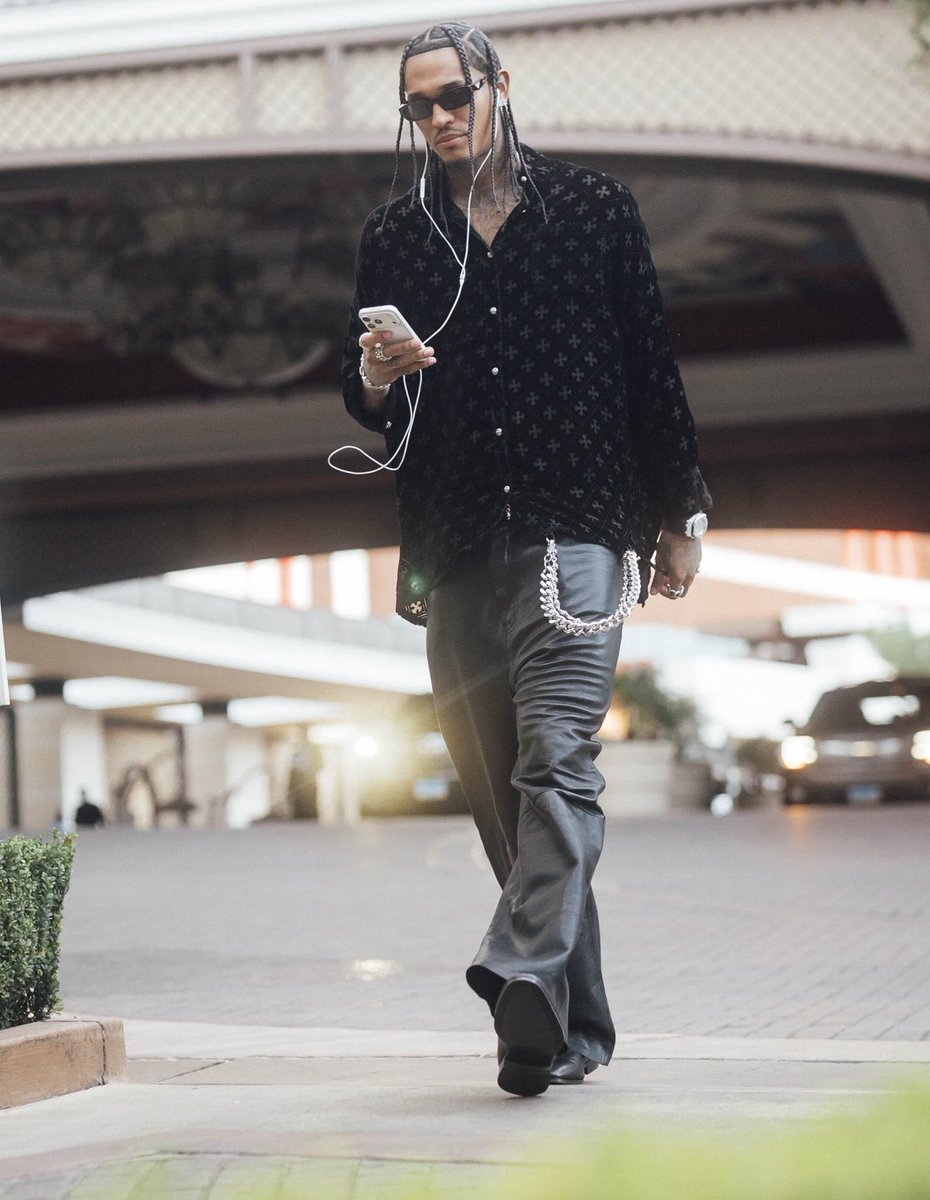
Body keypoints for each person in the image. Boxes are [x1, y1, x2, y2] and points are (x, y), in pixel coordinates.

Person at [341, 20, 711, 1096]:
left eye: (454, 95)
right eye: (419, 107)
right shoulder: (394, 237)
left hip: (578, 531)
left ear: (500, 84)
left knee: (555, 764)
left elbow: (650, 365)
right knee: (504, 810)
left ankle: (512, 972)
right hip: (452, 550)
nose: (440, 120)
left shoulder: (593, 211)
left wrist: (677, 511)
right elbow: (366, 409)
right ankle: (564, 1025)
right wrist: (375, 372)